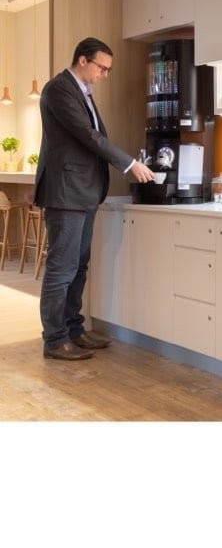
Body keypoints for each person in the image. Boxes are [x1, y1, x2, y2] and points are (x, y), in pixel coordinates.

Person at [35, 37, 155, 361]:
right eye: (102, 68)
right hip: (66, 192)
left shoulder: (84, 92)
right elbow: (88, 136)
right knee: (62, 268)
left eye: (108, 70)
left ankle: (74, 330)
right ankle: (54, 339)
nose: (105, 75)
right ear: (83, 60)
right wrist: (129, 164)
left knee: (78, 266)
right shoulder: (58, 90)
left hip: (84, 191)